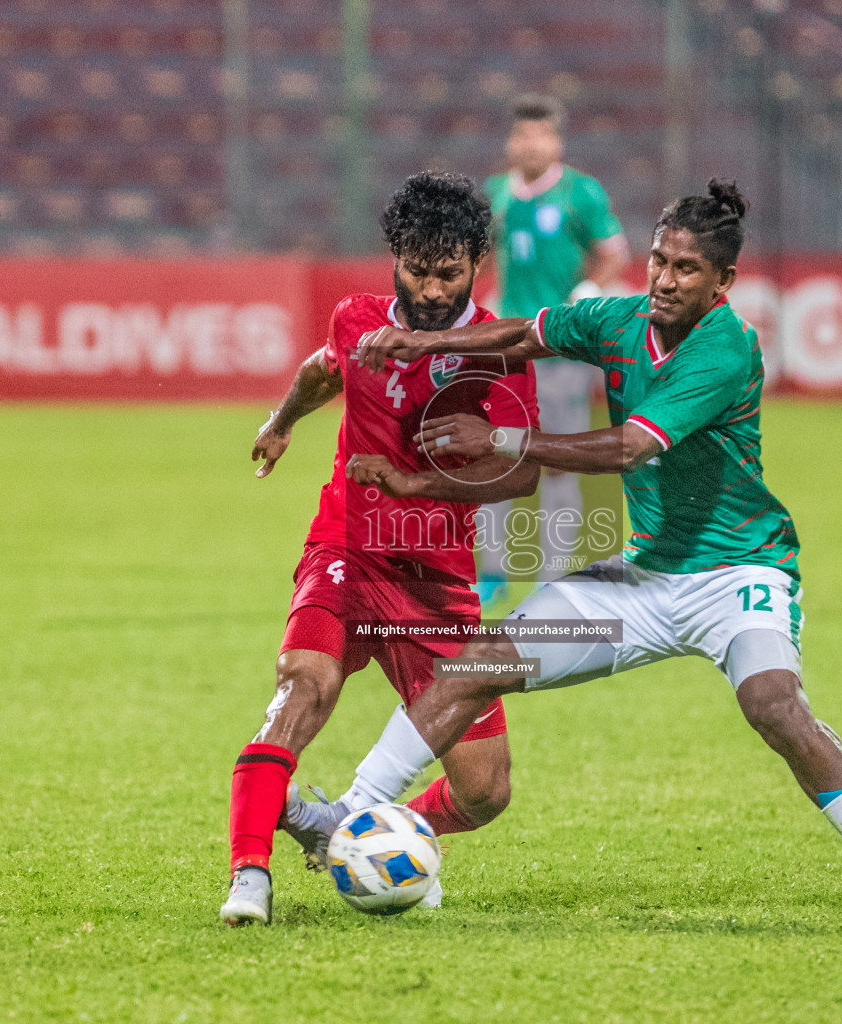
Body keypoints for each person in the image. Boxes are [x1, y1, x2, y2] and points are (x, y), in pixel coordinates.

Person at [316, 180, 842, 926]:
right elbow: (525, 334)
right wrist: (429, 341)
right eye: (658, 261)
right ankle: (350, 810)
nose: (664, 279)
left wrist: (501, 439)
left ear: (723, 283)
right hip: (641, 581)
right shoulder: (621, 320)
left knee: (773, 706)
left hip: (737, 574)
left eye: (687, 269)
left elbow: (626, 448)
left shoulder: (726, 348)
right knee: (476, 667)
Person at [220, 172, 541, 926]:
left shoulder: (496, 349)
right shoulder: (356, 321)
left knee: (485, 791)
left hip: (436, 575)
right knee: (302, 689)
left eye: (449, 272)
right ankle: (249, 876)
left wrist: (453, 459)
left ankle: (344, 828)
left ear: (475, 266)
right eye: (417, 269)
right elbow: (322, 369)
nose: (431, 287)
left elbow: (523, 475)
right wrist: (282, 420)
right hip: (349, 546)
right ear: (394, 256)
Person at [475, 95, 628, 607]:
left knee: (559, 458)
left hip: (559, 347)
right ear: (510, 142)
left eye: (540, 135)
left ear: (556, 141)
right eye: (522, 135)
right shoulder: (495, 193)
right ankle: (492, 572)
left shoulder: (579, 193)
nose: (530, 144)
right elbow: (480, 258)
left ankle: (552, 576)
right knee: (495, 452)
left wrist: (587, 292)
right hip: (507, 346)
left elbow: (612, 253)